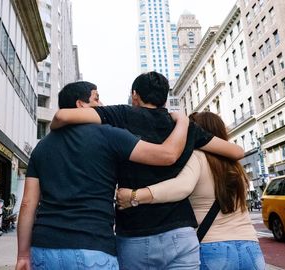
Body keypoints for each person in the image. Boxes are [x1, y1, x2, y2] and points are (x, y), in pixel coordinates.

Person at [50, 72, 244, 269]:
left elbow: (62, 115)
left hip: (135, 232)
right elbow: (237, 151)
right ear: (165, 98)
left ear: (135, 95)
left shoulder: (121, 114)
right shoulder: (187, 128)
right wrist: (185, 125)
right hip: (181, 232)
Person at [15, 81, 190, 270]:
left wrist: (23, 255)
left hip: (44, 248)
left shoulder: (42, 147)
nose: (101, 104)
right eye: (96, 98)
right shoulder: (110, 135)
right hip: (93, 247)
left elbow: (27, 203)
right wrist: (183, 121)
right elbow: (167, 154)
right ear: (80, 105)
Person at [117, 111, 266, 270]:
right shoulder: (236, 166)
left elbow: (181, 186)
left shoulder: (197, 156)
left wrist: (135, 195)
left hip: (212, 247)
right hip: (250, 247)